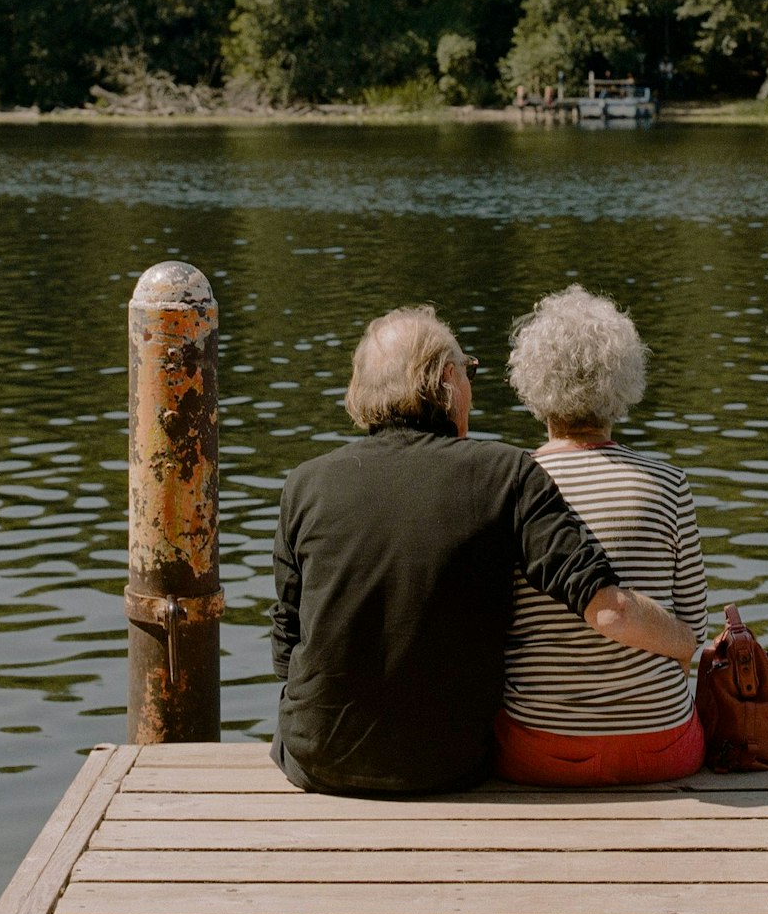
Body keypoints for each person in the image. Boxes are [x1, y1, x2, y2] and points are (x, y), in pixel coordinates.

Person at [271, 304, 697, 796]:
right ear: (449, 379)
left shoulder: (304, 484)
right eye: (469, 370)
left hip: (316, 757)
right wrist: (687, 644)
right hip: (449, 763)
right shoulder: (503, 474)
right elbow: (605, 606)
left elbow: (286, 645)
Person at [495, 285, 709, 786]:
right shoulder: (668, 483)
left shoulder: (509, 487)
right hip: (663, 745)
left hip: (538, 748)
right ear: (625, 379)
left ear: (530, 381)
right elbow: (691, 628)